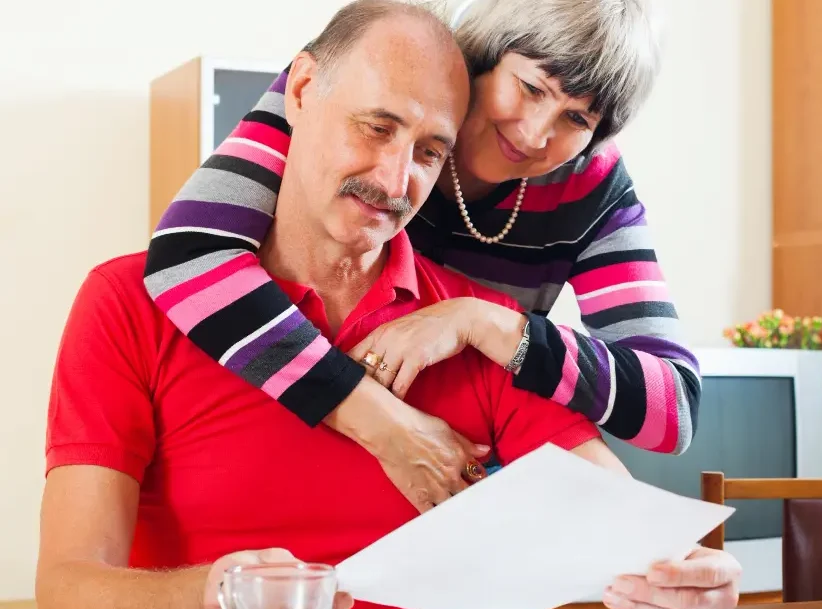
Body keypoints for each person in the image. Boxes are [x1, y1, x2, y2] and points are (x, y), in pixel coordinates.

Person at [38, 0, 740, 609]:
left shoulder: (480, 323)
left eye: (432, 151)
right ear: (303, 94)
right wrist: (202, 603)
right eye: (376, 128)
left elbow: (635, 509)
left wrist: (684, 585)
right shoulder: (134, 300)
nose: (395, 177)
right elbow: (67, 600)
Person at [142, 0, 701, 513]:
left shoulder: (592, 187)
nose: (534, 135)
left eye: (577, 120)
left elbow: (672, 407)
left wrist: (483, 321)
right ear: (485, 55)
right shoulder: (379, 79)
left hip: (455, 477)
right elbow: (190, 253)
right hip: (301, 417)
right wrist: (382, 422)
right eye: (531, 87)